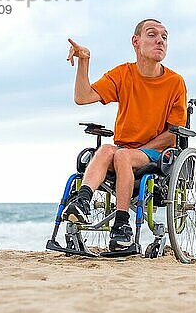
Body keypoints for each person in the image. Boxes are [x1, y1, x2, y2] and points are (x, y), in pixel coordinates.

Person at [62, 19, 187, 251]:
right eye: (152, 35)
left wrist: (137, 151)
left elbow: (173, 134)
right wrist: (84, 61)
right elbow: (82, 97)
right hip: (123, 149)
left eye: (164, 37)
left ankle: (121, 225)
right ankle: (81, 202)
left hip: (155, 152)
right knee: (107, 150)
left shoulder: (175, 82)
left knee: (122, 156)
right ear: (136, 42)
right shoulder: (123, 74)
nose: (160, 40)